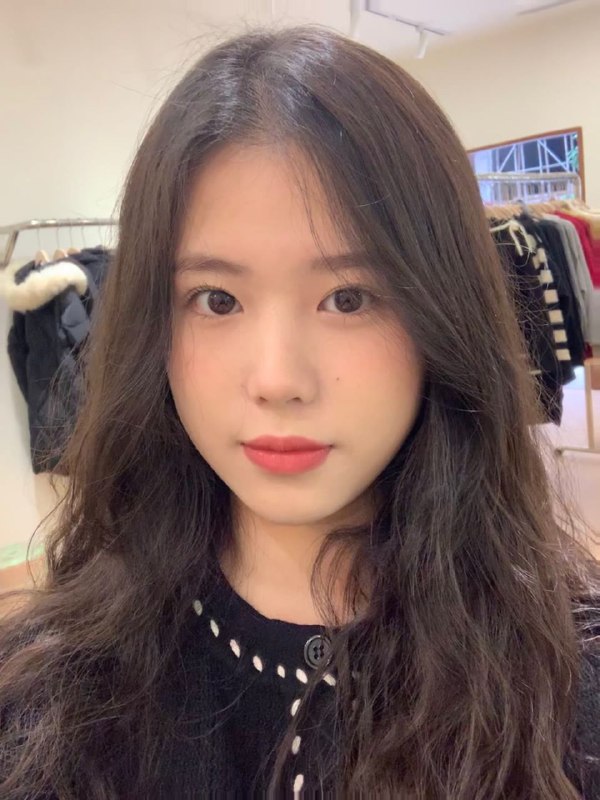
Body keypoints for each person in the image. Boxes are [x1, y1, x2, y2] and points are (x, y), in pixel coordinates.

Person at [0, 24, 599, 800]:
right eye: (217, 300)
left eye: (347, 298)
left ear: (442, 314)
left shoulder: (569, 682)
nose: (278, 380)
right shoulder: (54, 696)